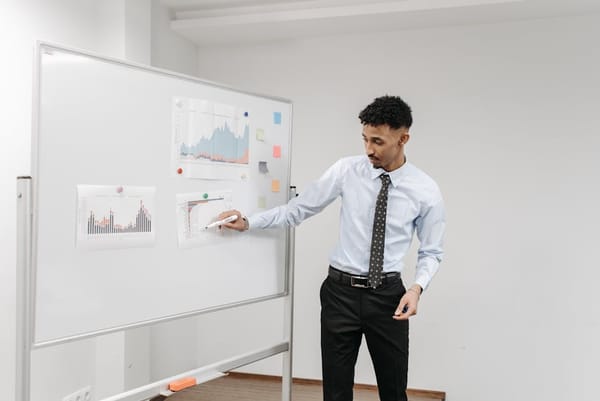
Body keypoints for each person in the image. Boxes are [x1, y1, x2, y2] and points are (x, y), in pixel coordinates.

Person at [219, 95, 445, 401]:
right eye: (365, 139)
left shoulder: (425, 189)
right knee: (336, 393)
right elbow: (299, 208)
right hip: (340, 295)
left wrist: (416, 289)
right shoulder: (346, 170)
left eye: (377, 141)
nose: (368, 149)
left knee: (393, 392)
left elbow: (431, 251)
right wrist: (249, 221)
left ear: (403, 138)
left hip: (388, 298)